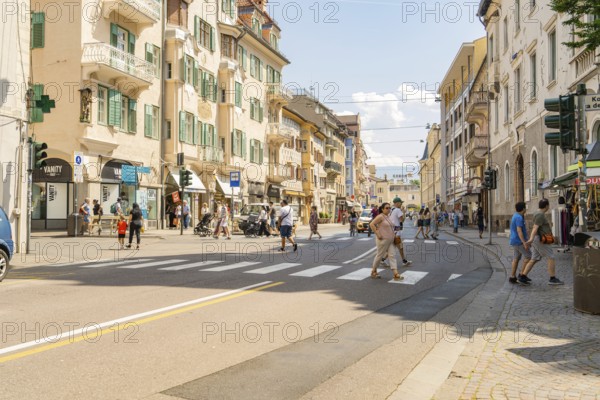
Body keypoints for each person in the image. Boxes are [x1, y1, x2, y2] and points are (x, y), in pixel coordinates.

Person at [520, 199, 564, 285]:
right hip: (540, 239)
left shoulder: (537, 213)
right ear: (547, 206)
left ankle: (523, 276)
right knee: (551, 257)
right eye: (549, 205)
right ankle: (552, 278)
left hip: (538, 239)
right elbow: (535, 228)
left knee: (534, 258)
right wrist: (531, 239)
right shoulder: (540, 214)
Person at [369, 203, 403, 281]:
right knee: (380, 255)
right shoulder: (380, 216)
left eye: (389, 208)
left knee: (392, 255)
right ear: (382, 209)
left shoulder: (388, 217)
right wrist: (378, 234)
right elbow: (372, 224)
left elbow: (393, 226)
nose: (388, 209)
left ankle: (396, 274)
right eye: (387, 208)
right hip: (383, 240)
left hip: (391, 240)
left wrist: (396, 234)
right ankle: (373, 271)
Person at [508, 202, 532, 285]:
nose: (526, 209)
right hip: (519, 241)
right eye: (525, 208)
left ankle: (512, 277)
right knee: (529, 256)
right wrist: (524, 242)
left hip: (514, 240)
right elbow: (519, 230)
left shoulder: (515, 215)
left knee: (516, 259)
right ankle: (522, 275)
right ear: (523, 209)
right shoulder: (519, 217)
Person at [388, 197, 412, 267]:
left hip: (391, 230)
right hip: (397, 232)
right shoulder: (398, 210)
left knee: (393, 247)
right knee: (400, 247)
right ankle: (404, 261)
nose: (401, 204)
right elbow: (402, 220)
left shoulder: (391, 210)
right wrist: (404, 212)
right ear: (397, 203)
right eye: (401, 202)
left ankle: (383, 259)